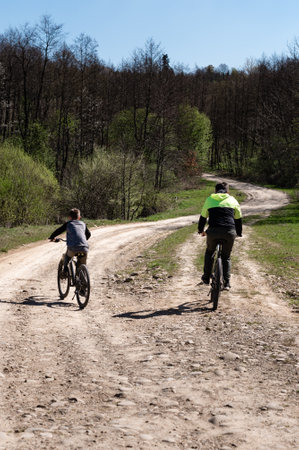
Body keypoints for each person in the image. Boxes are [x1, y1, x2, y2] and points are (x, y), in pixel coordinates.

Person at [198, 182, 242, 290]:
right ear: (228, 191)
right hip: (229, 232)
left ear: (215, 191)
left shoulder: (210, 199)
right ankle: (227, 283)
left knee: (209, 252)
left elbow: (203, 217)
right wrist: (239, 233)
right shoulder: (232, 200)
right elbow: (238, 219)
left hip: (213, 232)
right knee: (226, 257)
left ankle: (206, 277)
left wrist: (201, 230)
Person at [49, 208, 91, 274]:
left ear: (69, 217)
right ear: (79, 217)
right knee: (82, 263)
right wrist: (82, 240)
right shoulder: (83, 224)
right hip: (84, 247)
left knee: (67, 256)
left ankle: (65, 269)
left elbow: (59, 230)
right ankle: (83, 279)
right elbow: (88, 234)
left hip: (73, 247)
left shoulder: (68, 224)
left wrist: (52, 237)